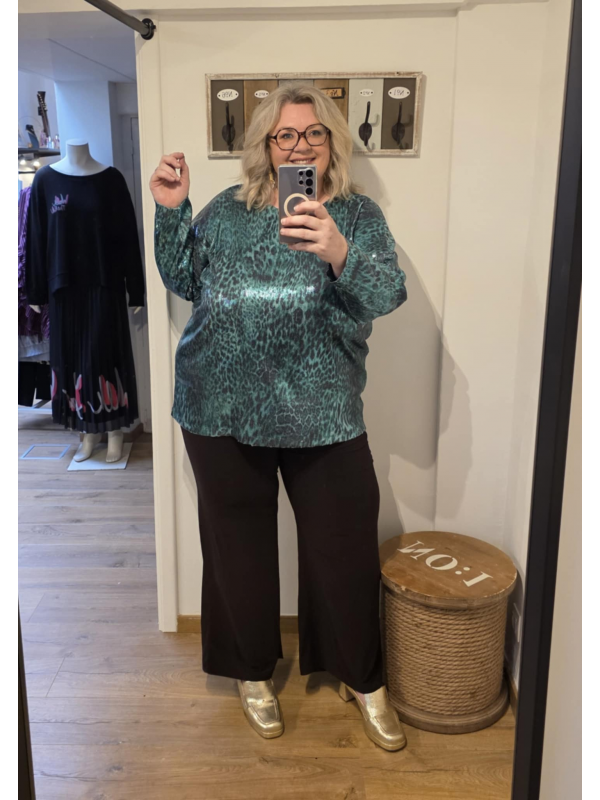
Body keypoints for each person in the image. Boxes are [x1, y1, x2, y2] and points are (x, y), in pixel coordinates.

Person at [149, 83, 408, 751]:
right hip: (218, 403)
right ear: (266, 145)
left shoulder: (355, 214)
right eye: (285, 135)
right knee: (236, 546)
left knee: (344, 544)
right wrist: (171, 211)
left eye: (313, 133)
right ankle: (251, 672)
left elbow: (387, 293)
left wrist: (338, 250)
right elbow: (183, 279)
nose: (299, 146)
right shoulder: (227, 209)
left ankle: (362, 677)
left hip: (322, 409)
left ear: (332, 142)